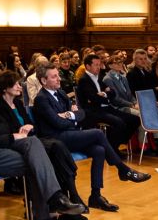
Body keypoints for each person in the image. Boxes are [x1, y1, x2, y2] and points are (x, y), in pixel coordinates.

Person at [0, 69, 87, 220]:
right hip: (0, 150)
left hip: (20, 142)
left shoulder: (1, 103)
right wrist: (8, 133)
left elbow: (8, 126)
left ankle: (53, 210)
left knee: (46, 154)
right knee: (45, 153)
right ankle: (55, 205)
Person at [32, 64, 149, 210]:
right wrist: (72, 116)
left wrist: (68, 115)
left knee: (99, 150)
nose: (59, 79)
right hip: (55, 139)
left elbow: (81, 114)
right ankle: (123, 169)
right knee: (98, 133)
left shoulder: (61, 93)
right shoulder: (41, 99)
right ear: (43, 80)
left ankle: (96, 196)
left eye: (58, 75)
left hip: (70, 133)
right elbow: (57, 123)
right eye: (54, 76)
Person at [76, 53, 141, 148]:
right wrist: (106, 95)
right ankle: (112, 148)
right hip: (94, 111)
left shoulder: (100, 77)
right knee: (119, 122)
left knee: (135, 120)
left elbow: (112, 92)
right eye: (96, 65)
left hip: (107, 108)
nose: (99, 67)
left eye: (99, 64)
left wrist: (105, 94)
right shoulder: (84, 80)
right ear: (88, 66)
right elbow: (94, 99)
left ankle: (117, 143)